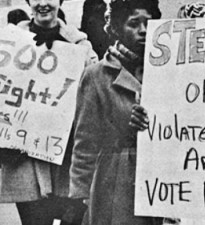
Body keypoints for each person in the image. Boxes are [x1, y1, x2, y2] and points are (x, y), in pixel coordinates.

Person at [0, 0, 98, 224]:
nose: (43, 3)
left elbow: (94, 98)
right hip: (25, 161)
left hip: (66, 159)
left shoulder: (80, 46)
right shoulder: (9, 42)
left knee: (72, 219)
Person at [68, 0, 163, 224]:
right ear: (118, 28)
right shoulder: (96, 75)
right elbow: (85, 141)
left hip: (161, 181)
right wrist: (80, 197)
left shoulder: (166, 71)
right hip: (114, 183)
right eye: (133, 23)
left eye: (149, 23)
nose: (143, 30)